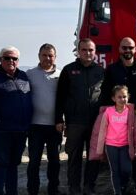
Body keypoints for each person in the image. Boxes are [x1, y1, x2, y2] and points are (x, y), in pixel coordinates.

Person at [55, 38, 105, 195]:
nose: (88, 53)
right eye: (84, 50)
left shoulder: (101, 71)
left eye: (91, 50)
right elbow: (60, 97)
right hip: (75, 122)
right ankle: (74, 188)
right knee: (74, 157)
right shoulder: (68, 70)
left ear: (95, 52)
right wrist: (58, 119)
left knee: (94, 158)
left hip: (95, 122)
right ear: (78, 51)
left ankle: (89, 187)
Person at [0, 46, 33, 195]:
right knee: (2, 164)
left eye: (14, 58)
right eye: (7, 58)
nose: (11, 61)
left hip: (21, 130)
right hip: (1, 131)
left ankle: (12, 192)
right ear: (0, 59)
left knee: (14, 165)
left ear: (18, 61)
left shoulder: (24, 76)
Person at [88, 86, 136, 195]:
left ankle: (123, 186)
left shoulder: (131, 113)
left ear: (128, 97)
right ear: (113, 99)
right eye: (119, 97)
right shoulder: (108, 112)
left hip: (125, 145)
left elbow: (135, 131)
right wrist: (98, 149)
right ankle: (118, 192)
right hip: (111, 146)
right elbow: (100, 131)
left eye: (124, 96)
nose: (122, 99)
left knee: (126, 170)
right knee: (115, 171)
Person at [26, 44, 62, 195]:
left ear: (55, 57)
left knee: (54, 162)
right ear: (39, 56)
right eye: (44, 55)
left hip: (55, 126)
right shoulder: (30, 74)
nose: (47, 58)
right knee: (34, 162)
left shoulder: (61, 75)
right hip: (35, 126)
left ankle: (53, 190)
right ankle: (32, 190)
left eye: (50, 55)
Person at [102, 37, 136, 105]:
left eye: (130, 48)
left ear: (135, 49)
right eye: (124, 48)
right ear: (119, 49)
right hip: (118, 112)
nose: (127, 50)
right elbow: (106, 92)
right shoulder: (111, 69)